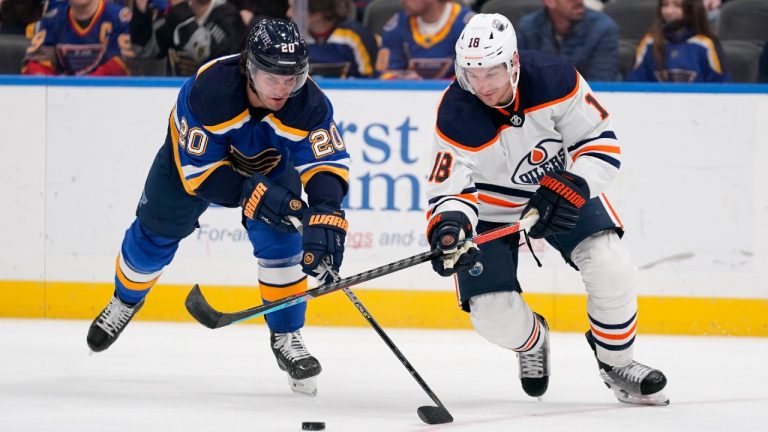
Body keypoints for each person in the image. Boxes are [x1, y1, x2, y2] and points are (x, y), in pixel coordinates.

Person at [86, 18, 351, 397]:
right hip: (190, 168)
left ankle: (286, 336)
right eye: (272, 78)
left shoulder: (308, 103)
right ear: (249, 68)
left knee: (284, 242)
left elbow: (326, 161)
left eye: (291, 78)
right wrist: (251, 194)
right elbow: (198, 175)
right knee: (153, 236)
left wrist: (326, 210)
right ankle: (125, 300)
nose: (283, 89)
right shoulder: (209, 91)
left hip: (270, 167)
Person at [425, 13, 669, 405]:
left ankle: (617, 363)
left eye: (492, 73)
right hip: (491, 210)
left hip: (558, 189)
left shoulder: (555, 79)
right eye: (473, 74)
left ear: (513, 64)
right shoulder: (456, 112)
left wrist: (572, 185)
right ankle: (533, 340)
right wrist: (450, 227)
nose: (482, 86)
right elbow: (448, 189)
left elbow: (600, 143)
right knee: (492, 316)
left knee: (610, 265)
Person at [130, 0, 247, 76]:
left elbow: (208, 55)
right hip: (175, 94)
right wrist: (141, 12)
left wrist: (181, 10)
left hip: (215, 97)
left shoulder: (229, 16)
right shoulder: (174, 16)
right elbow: (144, 51)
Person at [627, 0, 730, 83]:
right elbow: (634, 84)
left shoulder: (706, 45)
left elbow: (721, 86)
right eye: (665, 5)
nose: (669, 11)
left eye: (677, 5)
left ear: (691, 9)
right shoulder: (649, 43)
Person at [516, 0, 619, 82]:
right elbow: (520, 75)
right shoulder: (528, 27)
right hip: (542, 98)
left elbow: (601, 81)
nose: (579, 1)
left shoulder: (603, 27)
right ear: (550, 1)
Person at [21, 0, 132, 75]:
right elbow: (35, 65)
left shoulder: (120, 18)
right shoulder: (51, 21)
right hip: (64, 98)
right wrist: (55, 88)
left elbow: (123, 65)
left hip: (108, 97)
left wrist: (83, 86)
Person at [375, 0, 474, 79]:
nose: (402, 1)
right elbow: (384, 73)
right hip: (409, 95)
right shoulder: (397, 25)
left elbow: (476, 77)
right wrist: (400, 78)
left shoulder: (470, 26)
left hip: (456, 96)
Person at [286, 0, 378, 78]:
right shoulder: (290, 37)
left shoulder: (355, 36)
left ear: (317, 15)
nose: (288, 13)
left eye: (294, 9)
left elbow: (371, 79)